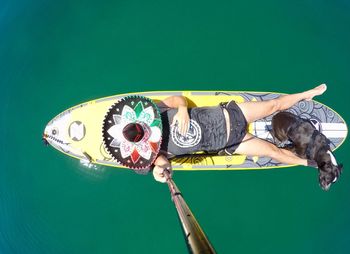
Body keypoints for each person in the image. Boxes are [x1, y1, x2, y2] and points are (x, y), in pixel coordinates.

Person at [152, 84, 327, 183]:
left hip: (230, 114)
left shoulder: (153, 112)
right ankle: (308, 163)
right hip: (232, 142)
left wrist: (182, 109)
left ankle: (307, 94)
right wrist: (160, 171)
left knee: (274, 105)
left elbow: (176, 99)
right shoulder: (153, 155)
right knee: (273, 152)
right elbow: (161, 165)